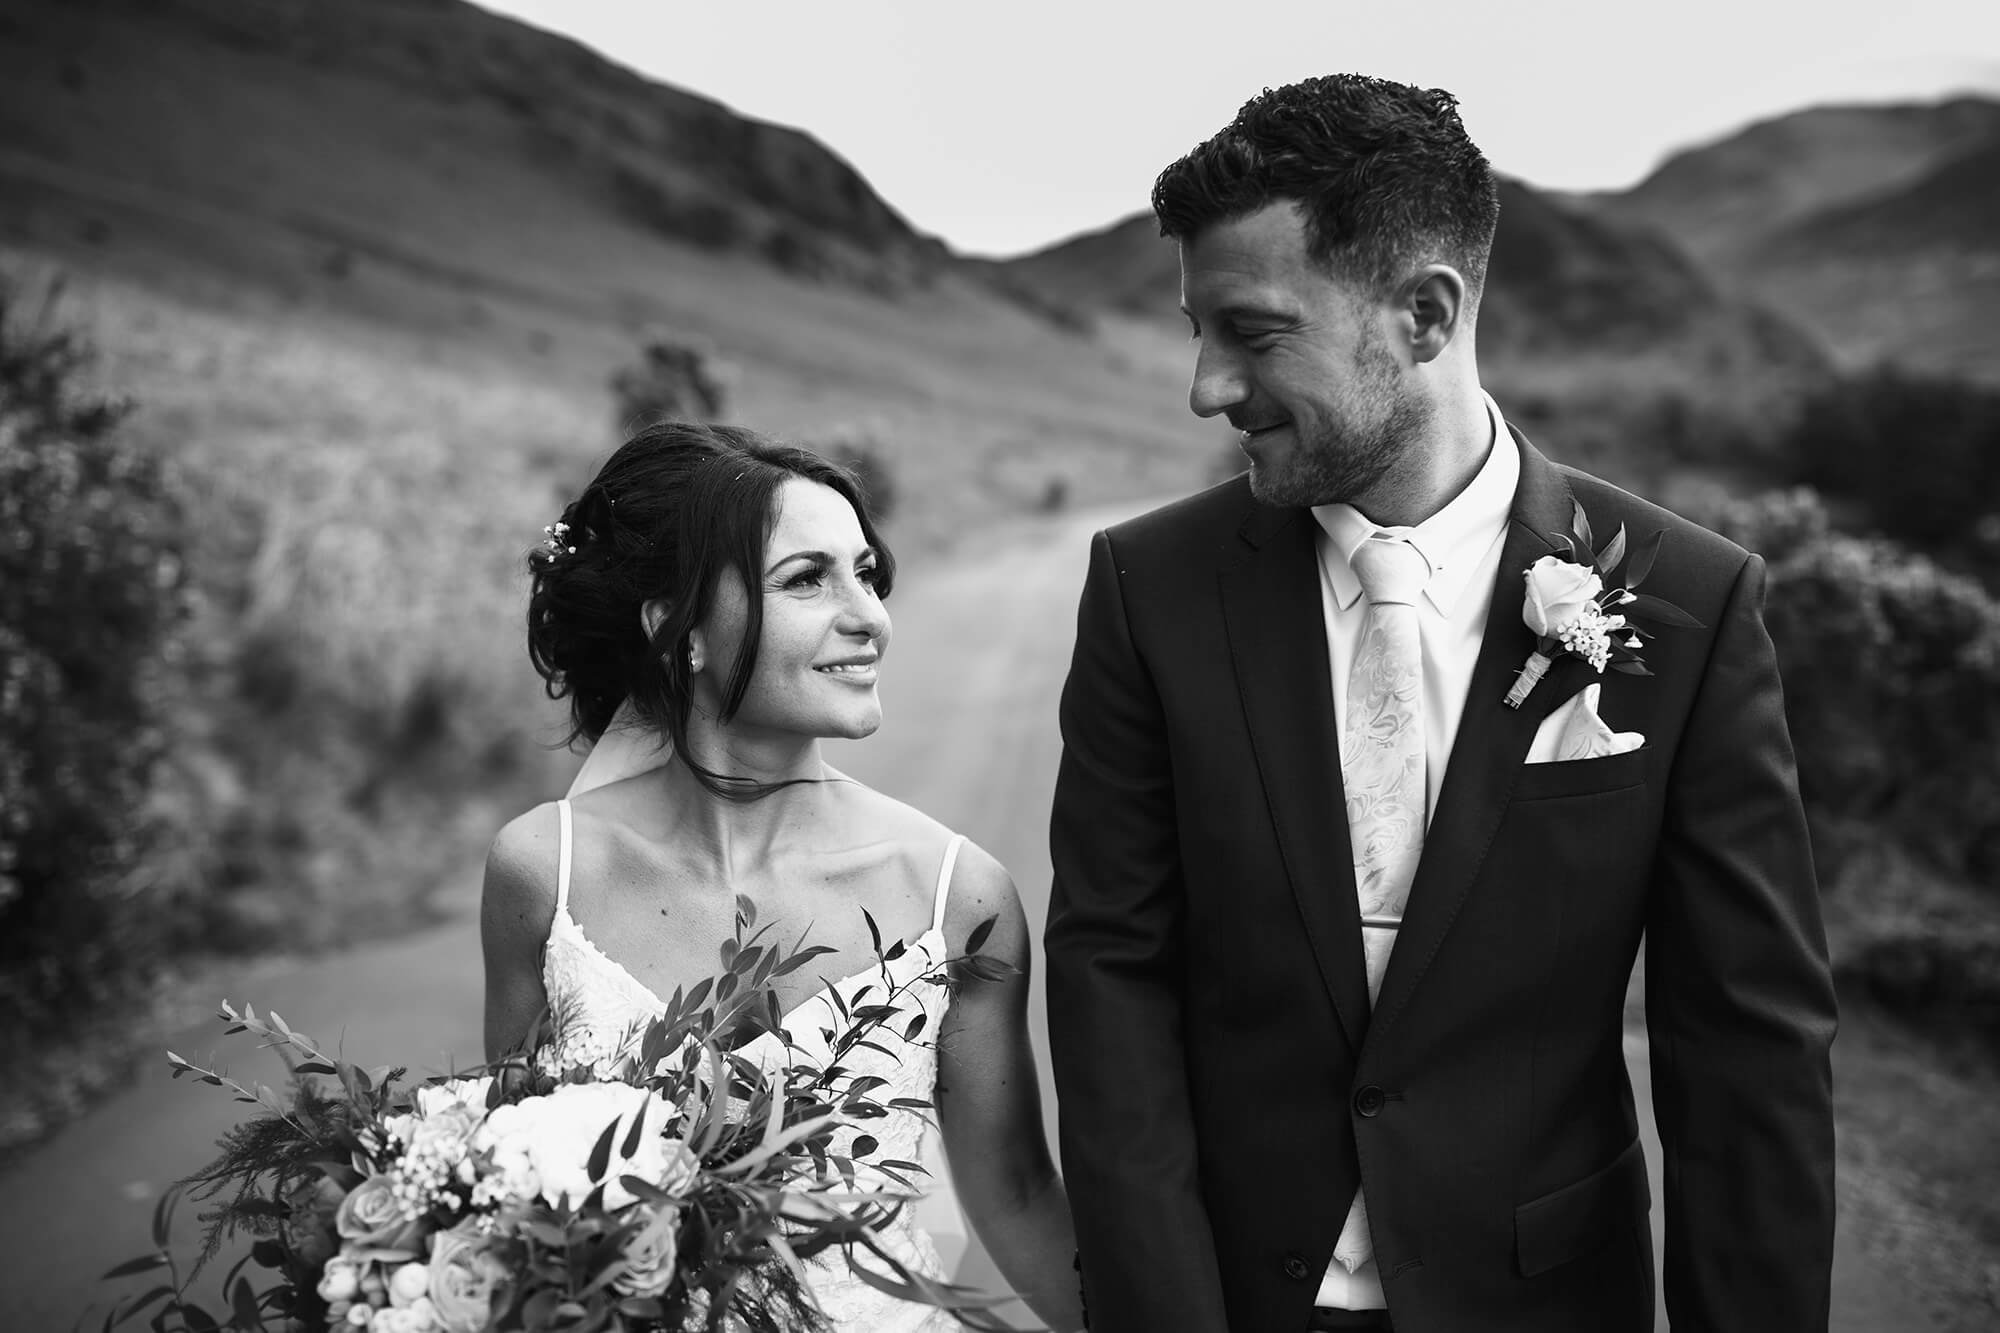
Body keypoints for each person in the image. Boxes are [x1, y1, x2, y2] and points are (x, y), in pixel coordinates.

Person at [1045, 75, 1836, 1333]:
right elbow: (1109, 983)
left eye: (1249, 333)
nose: (1205, 386)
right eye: (1196, 332)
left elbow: (1746, 1047)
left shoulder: (1689, 602)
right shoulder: (1149, 588)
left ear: (1424, 313)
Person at [481, 421, 1084, 1332]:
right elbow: (507, 1177)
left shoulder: (957, 895)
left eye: (866, 574)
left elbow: (1018, 1196)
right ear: (676, 626)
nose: (870, 615)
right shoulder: (544, 872)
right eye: (808, 578)